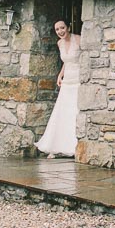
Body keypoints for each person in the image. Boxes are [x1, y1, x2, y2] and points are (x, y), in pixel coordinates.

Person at [36, 20, 80, 158]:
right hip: (67, 81)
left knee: (75, 111)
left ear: (68, 27)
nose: (60, 31)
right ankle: (56, 146)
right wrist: (60, 75)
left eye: (62, 28)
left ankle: (74, 146)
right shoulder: (59, 43)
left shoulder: (79, 39)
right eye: (57, 29)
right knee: (63, 112)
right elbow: (66, 62)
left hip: (78, 79)